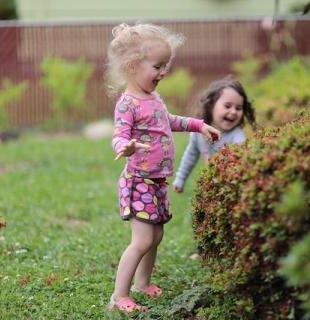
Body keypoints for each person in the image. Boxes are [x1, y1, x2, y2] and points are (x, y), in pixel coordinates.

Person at [106, 23, 221, 313]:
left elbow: (167, 120)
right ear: (132, 65)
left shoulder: (153, 98)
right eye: (157, 66)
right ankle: (119, 296)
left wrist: (198, 125)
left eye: (165, 65)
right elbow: (119, 135)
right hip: (139, 181)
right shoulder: (127, 103)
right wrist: (125, 147)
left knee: (156, 236)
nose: (163, 72)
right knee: (142, 239)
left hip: (156, 180)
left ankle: (142, 284)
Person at [172, 77, 256, 193]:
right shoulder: (198, 133)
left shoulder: (237, 136)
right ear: (211, 105)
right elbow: (190, 155)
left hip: (231, 186)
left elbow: (241, 160)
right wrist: (180, 178)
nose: (233, 112)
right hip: (212, 184)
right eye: (227, 106)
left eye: (238, 108)